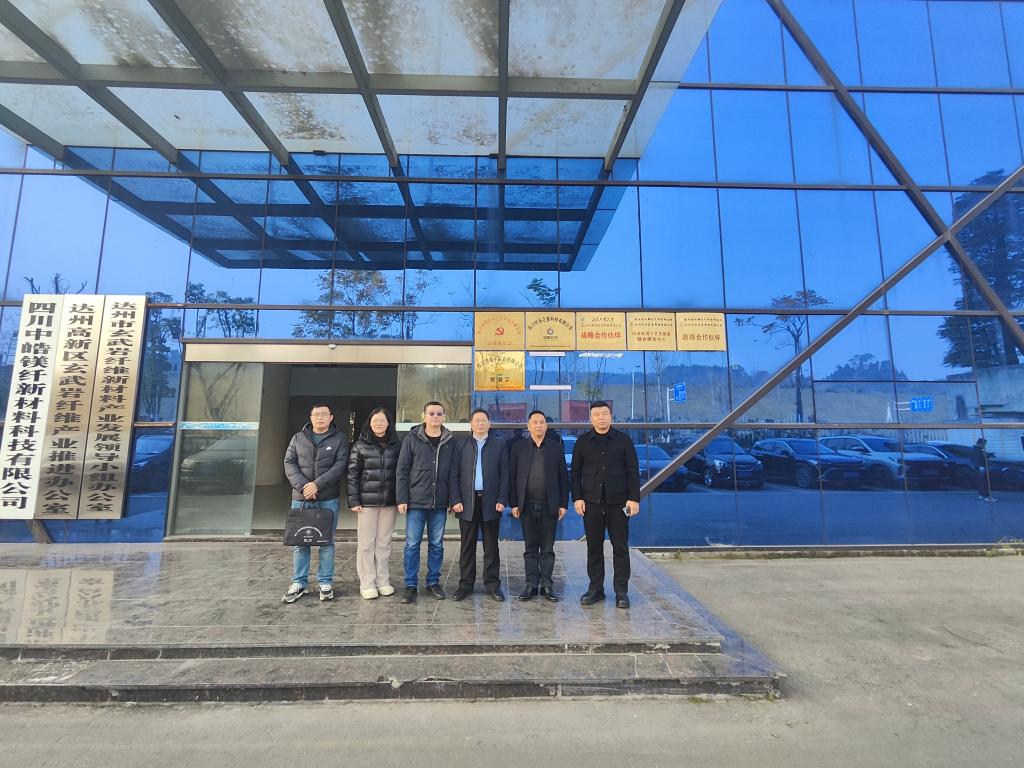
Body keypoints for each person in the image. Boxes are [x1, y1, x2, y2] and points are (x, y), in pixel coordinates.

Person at [571, 401, 640, 609]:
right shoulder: (582, 442)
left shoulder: (623, 441)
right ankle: (596, 589)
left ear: (610, 416)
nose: (601, 418)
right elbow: (575, 473)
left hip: (618, 503)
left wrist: (634, 499)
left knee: (620, 548)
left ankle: (621, 591)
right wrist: (577, 498)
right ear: (590, 418)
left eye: (604, 414)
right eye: (596, 414)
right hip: (591, 503)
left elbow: (633, 471)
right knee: (594, 548)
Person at [282, 403, 349, 603]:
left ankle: (325, 583)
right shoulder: (298, 438)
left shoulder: (339, 439)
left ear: (331, 417)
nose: (320, 418)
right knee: (300, 541)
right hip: (301, 497)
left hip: (327, 498)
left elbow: (340, 465)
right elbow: (289, 462)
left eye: (324, 414)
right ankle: (299, 582)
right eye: (316, 414)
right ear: (310, 417)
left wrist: (317, 485)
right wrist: (304, 486)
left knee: (326, 541)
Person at [396, 401, 461, 603]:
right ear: (423, 416)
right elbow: (402, 470)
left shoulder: (450, 441)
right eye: (431, 413)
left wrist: (454, 499)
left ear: (444, 417)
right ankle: (410, 585)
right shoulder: (412, 439)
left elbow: (453, 474)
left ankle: (433, 582)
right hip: (416, 501)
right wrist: (402, 498)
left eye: (439, 413)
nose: (435, 417)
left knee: (437, 545)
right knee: (412, 545)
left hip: (439, 503)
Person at [509, 410, 568, 602]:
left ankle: (547, 585)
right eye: (534, 422)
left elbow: (563, 477)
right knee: (530, 547)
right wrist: (514, 503)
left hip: (549, 506)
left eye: (542, 422)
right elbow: (512, 477)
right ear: (528, 426)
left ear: (546, 425)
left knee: (548, 549)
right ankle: (531, 585)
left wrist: (563, 504)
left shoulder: (555, 448)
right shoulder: (518, 448)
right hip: (526, 506)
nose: (538, 426)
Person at [452, 409, 509, 602]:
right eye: (476, 420)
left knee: (491, 546)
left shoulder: (499, 444)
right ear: (471, 424)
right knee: (467, 546)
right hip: (467, 503)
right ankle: (465, 585)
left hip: (491, 502)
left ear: (489, 424)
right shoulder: (461, 444)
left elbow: (505, 474)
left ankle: (492, 585)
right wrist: (455, 500)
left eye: (483, 420)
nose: (480, 423)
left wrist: (502, 499)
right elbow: (454, 475)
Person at [347, 407, 402, 599]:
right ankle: (367, 582)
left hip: (389, 501)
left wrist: (401, 498)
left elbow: (402, 473)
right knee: (366, 543)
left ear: (388, 423)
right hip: (366, 502)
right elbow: (352, 474)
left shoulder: (397, 445)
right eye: (375, 420)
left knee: (384, 542)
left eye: (382, 420)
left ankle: (383, 580)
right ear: (369, 423)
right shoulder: (360, 446)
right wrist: (354, 500)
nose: (379, 423)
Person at [973, 437, 997, 502]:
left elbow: (982, 456)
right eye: (984, 444)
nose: (985, 446)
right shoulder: (977, 449)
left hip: (979, 468)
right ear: (981, 443)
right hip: (981, 468)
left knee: (981, 482)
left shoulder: (977, 449)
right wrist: (980, 466)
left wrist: (988, 455)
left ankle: (981, 495)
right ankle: (987, 496)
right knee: (984, 482)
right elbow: (977, 458)